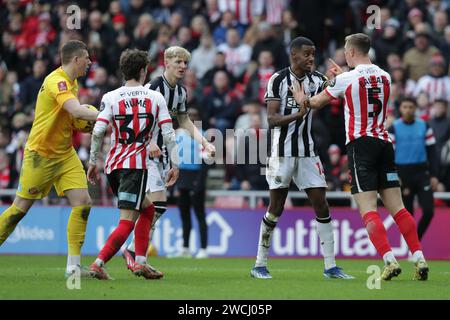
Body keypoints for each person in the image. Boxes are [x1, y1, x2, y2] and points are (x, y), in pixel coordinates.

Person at [291, 33, 429, 281]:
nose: (344, 53)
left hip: (360, 145)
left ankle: (389, 260)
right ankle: (419, 257)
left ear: (352, 52)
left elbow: (316, 103)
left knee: (368, 210)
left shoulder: (346, 78)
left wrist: (304, 99)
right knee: (398, 208)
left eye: (345, 49)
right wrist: (335, 81)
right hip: (384, 143)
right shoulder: (386, 76)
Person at [250, 37, 354, 280]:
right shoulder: (277, 80)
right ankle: (259, 264)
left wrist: (341, 79)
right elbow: (272, 120)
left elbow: (335, 94)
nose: (311, 58)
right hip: (281, 153)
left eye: (313, 54)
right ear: (294, 55)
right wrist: (300, 112)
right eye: (307, 54)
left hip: (307, 152)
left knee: (321, 204)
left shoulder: (317, 80)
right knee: (275, 208)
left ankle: (331, 266)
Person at [0, 40, 100, 277]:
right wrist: (105, 115)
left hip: (65, 154)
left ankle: (73, 267)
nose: (89, 62)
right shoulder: (57, 81)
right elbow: (76, 111)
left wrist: (85, 124)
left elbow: (72, 118)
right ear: (76, 59)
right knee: (19, 210)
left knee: (83, 203)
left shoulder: (73, 83)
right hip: (40, 155)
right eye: (86, 58)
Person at [86, 49, 179, 280]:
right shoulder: (155, 97)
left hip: (112, 165)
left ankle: (140, 262)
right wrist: (174, 164)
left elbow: (98, 131)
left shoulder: (110, 96)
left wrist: (91, 161)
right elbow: (168, 134)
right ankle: (98, 263)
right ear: (142, 71)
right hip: (134, 166)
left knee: (148, 209)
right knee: (128, 220)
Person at [123, 46, 215, 274]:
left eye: (186, 63)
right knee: (157, 206)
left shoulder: (181, 92)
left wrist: (205, 143)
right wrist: (148, 141)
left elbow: (184, 121)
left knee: (149, 210)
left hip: (162, 154)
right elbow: (137, 116)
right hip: (144, 152)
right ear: (167, 63)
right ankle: (134, 253)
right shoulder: (153, 87)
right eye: (179, 62)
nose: (183, 66)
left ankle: (135, 255)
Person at [388, 98, 439, 241]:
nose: (408, 109)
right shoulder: (393, 128)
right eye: (405, 106)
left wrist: (434, 175)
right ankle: (414, 247)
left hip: (422, 173)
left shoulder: (424, 126)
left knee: (429, 211)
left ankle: (416, 240)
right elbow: (388, 155)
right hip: (403, 175)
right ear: (401, 109)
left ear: (415, 108)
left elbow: (432, 152)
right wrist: (394, 174)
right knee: (407, 215)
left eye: (411, 107)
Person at [175, 108, 209, 258]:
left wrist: (200, 182)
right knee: (184, 214)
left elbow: (207, 162)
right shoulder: (178, 134)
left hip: (196, 175)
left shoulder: (203, 135)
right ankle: (185, 247)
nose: (192, 118)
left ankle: (203, 248)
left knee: (199, 214)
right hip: (182, 175)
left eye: (195, 116)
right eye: (190, 116)